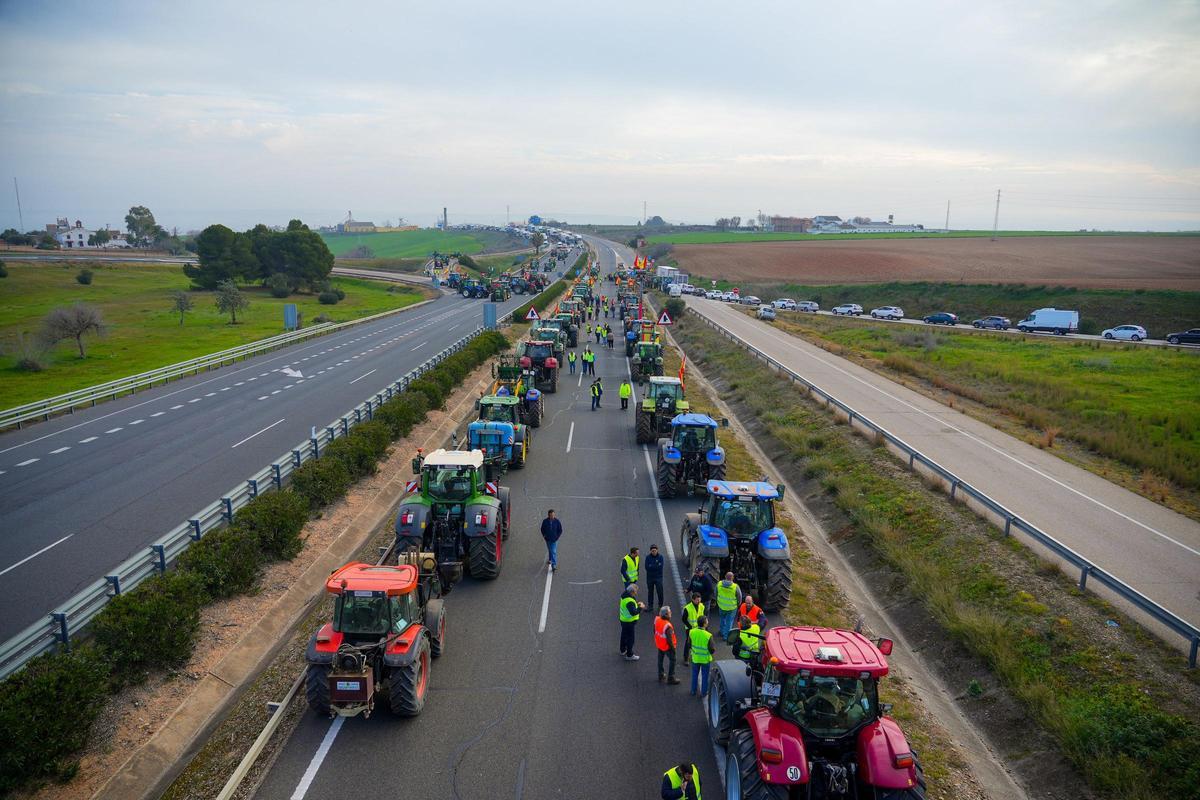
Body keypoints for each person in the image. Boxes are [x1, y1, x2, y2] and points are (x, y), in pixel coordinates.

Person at [689, 615, 715, 696]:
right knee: (705, 676)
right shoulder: (708, 635)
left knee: (694, 675)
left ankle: (693, 691)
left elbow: (689, 644)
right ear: (704, 624)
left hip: (695, 658)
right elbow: (712, 649)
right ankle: (704, 692)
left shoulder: (692, 632)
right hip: (705, 660)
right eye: (707, 621)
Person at [619, 584, 647, 660]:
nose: (636, 593)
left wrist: (636, 605)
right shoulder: (630, 601)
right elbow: (633, 612)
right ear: (632, 592)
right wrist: (640, 607)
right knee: (630, 638)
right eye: (635, 592)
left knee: (624, 635)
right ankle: (629, 655)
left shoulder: (624, 595)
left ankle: (622, 650)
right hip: (629, 622)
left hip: (623, 619)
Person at [653, 606, 680, 684]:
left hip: (659, 644)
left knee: (660, 660)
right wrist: (672, 648)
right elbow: (669, 640)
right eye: (669, 612)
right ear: (666, 615)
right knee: (673, 660)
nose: (671, 613)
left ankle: (661, 674)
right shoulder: (668, 626)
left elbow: (654, 630)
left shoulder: (657, 619)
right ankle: (671, 677)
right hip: (667, 647)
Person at [715, 572, 742, 640]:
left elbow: (715, 593)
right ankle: (726, 636)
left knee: (722, 619)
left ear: (725, 576)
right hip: (731, 608)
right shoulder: (735, 586)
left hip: (721, 606)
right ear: (732, 578)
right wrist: (738, 605)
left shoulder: (719, 584)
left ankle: (722, 631)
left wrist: (718, 601)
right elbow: (739, 597)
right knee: (729, 622)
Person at [681, 592, 705, 665]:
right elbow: (684, 619)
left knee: (697, 642)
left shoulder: (701, 606)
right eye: (697, 600)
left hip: (698, 628)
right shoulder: (687, 608)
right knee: (688, 643)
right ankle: (686, 659)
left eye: (699, 600)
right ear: (693, 599)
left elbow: (702, 616)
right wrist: (690, 627)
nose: (699, 601)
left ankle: (695, 655)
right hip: (690, 629)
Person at [644, 544, 664, 612]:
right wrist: (655, 566)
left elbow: (660, 567)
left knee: (660, 592)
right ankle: (650, 606)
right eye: (652, 551)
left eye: (655, 550)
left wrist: (651, 566)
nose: (654, 552)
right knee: (650, 592)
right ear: (650, 551)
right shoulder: (648, 557)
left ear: (657, 550)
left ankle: (660, 605)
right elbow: (647, 567)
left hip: (658, 577)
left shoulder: (660, 557)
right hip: (650, 578)